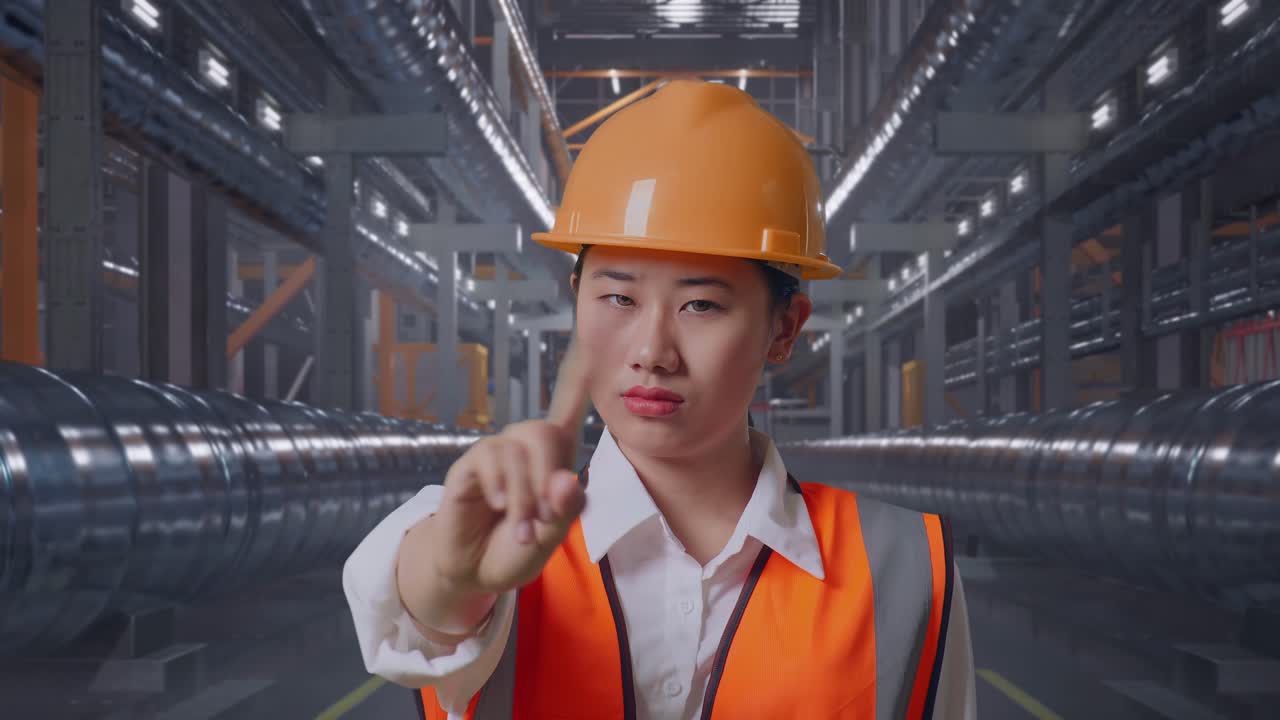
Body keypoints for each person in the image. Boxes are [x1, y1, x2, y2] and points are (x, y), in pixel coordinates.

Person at [344, 79, 977, 719]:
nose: (652, 350)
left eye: (700, 304)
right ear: (576, 301)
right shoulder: (493, 543)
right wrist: (453, 578)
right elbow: (410, 611)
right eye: (619, 298)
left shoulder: (906, 568)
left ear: (783, 328)